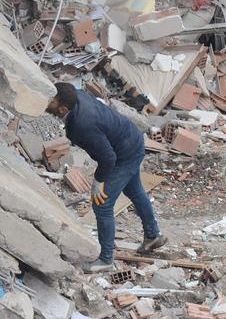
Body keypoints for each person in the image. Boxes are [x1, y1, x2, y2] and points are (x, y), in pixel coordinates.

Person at [45, 83, 166, 272]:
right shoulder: (74, 95)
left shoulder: (82, 125)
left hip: (123, 154)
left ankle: (106, 259)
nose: (47, 101)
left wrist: (98, 181)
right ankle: (153, 236)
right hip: (131, 140)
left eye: (51, 101)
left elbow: (108, 158)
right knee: (134, 190)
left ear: (62, 109)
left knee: (102, 204)